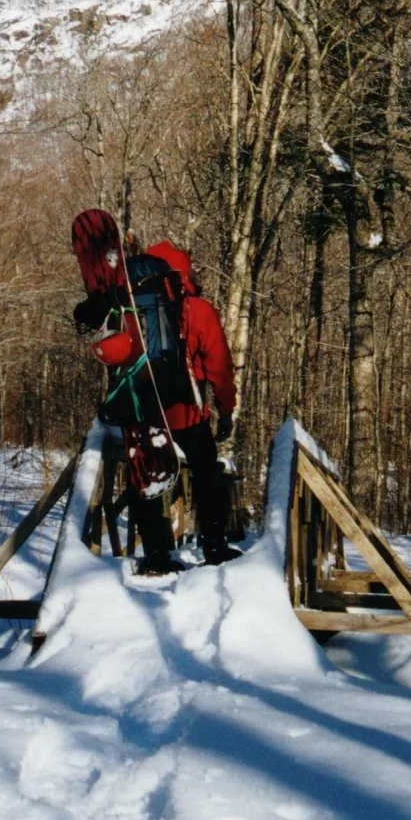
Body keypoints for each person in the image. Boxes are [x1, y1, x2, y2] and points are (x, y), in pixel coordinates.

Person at [130, 240, 240, 575]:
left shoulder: (135, 308)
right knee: (207, 475)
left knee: (146, 478)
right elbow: (219, 365)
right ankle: (215, 547)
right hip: (188, 411)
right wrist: (225, 409)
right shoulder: (198, 309)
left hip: (146, 412)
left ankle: (156, 555)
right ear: (182, 269)